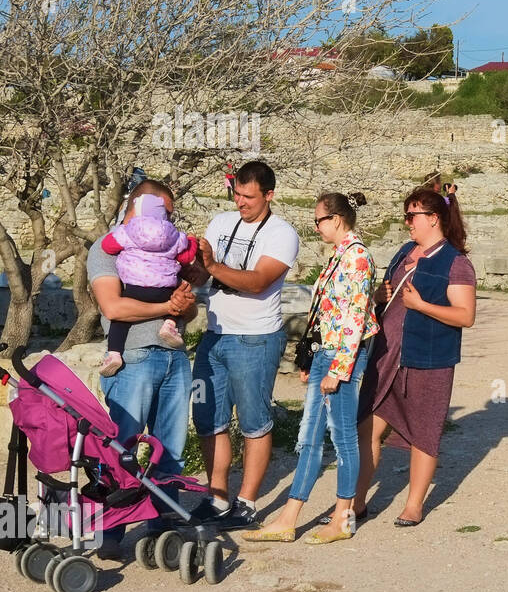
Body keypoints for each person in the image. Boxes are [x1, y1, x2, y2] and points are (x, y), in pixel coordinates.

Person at [244, 192, 379, 544]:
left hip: (341, 357)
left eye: (319, 219)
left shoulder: (358, 257)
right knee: (309, 437)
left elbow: (355, 316)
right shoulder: (340, 255)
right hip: (325, 354)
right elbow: (325, 312)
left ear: (336, 219)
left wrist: (338, 369)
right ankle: (289, 518)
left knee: (343, 437)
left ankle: (342, 518)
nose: (316, 226)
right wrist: (310, 358)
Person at [351, 185, 477, 526]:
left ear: (433, 219)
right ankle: (357, 503)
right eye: (406, 215)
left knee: (425, 432)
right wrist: (378, 296)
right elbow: (386, 298)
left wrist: (422, 305)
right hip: (386, 355)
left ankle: (414, 505)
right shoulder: (404, 251)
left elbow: (465, 315)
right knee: (366, 428)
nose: (407, 222)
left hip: (429, 360)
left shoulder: (456, 262)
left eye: (412, 216)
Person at [88, 179, 201, 559]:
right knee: (121, 449)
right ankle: (112, 532)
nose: (167, 218)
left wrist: (184, 304)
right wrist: (168, 308)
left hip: (174, 358)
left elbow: (189, 307)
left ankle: (162, 527)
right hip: (132, 357)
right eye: (163, 210)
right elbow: (114, 308)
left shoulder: (165, 248)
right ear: (138, 205)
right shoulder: (108, 248)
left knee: (170, 452)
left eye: (170, 213)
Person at [190, 160, 301, 528]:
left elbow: (257, 281)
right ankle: (217, 497)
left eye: (249, 197)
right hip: (215, 334)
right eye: (236, 193)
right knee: (208, 419)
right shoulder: (222, 222)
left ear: (269, 195)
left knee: (254, 422)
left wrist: (211, 265)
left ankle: (248, 502)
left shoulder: (283, 233)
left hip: (256, 338)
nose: (241, 202)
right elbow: (200, 272)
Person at [98, 192, 199, 376]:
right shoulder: (174, 234)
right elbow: (186, 256)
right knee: (178, 296)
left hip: (135, 288)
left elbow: (108, 246)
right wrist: (192, 241)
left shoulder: (129, 231)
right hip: (164, 289)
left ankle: (113, 354)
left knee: (119, 323)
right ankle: (169, 324)